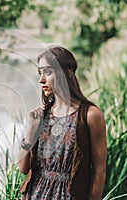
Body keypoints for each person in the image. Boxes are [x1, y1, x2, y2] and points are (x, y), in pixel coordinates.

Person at [18, 45, 107, 200]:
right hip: (35, 194)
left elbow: (100, 171)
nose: (41, 80)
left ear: (66, 74)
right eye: (40, 73)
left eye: (48, 72)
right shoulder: (41, 115)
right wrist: (31, 131)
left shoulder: (90, 115)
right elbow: (23, 168)